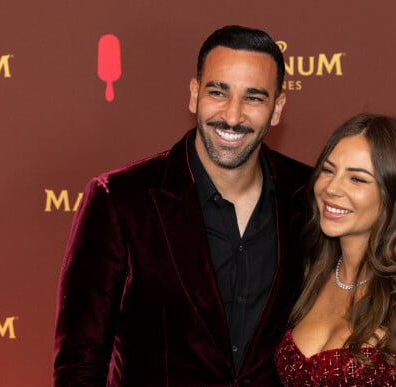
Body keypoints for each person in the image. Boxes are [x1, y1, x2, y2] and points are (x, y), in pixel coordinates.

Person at [53, 25, 311, 386]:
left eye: (253, 98)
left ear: (278, 106)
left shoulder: (310, 194)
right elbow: (79, 361)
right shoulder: (120, 199)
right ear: (193, 95)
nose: (233, 116)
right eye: (218, 92)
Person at [275, 113, 396, 386]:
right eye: (328, 170)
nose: (332, 188)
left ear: (393, 195)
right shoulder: (310, 276)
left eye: (357, 179)